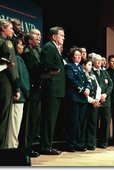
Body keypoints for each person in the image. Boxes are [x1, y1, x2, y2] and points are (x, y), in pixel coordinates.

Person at [0, 19, 20, 150]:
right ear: (3, 29)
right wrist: (16, 86)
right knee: (2, 117)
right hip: (5, 81)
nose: (13, 31)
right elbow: (12, 67)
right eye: (11, 28)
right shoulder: (6, 43)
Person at [39, 26, 65, 155]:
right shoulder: (49, 47)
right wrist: (53, 69)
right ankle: (45, 147)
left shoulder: (55, 48)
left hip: (56, 89)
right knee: (49, 119)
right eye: (61, 35)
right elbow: (45, 65)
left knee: (52, 120)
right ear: (54, 36)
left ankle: (47, 145)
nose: (63, 38)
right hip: (51, 89)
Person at [5, 37, 30, 149]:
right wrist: (25, 90)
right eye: (20, 44)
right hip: (19, 95)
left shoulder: (19, 58)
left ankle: (12, 146)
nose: (22, 47)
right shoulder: (18, 59)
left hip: (20, 95)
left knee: (15, 125)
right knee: (14, 125)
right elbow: (20, 78)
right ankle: (11, 148)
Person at [64, 47, 91, 152]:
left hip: (82, 99)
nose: (79, 57)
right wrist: (82, 89)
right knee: (73, 121)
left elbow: (87, 80)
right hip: (74, 97)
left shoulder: (80, 67)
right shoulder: (69, 66)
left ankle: (79, 143)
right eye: (76, 55)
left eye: (80, 55)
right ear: (72, 56)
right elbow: (71, 80)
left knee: (81, 122)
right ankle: (70, 143)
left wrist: (88, 88)